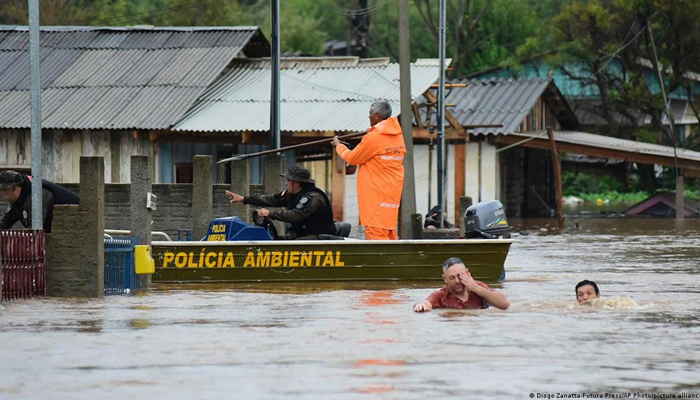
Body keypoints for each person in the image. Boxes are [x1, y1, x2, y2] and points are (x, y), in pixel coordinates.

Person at [331, 100, 406, 240]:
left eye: (370, 114)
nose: (369, 117)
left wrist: (338, 146)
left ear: (377, 116)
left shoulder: (374, 137)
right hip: (391, 197)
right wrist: (371, 133)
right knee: (389, 234)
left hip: (375, 197)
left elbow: (353, 158)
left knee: (376, 238)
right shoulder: (397, 136)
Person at [225, 164, 336, 239]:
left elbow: (295, 215)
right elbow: (272, 199)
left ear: (297, 183)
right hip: (302, 235)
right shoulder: (292, 195)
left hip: (319, 237)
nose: (286, 183)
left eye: (288, 180)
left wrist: (270, 213)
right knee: (277, 240)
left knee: (292, 247)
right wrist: (244, 199)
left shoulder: (313, 197)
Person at [413, 257, 510, 312]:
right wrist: (420, 305)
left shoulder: (478, 287)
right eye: (452, 277)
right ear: (445, 279)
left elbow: (505, 304)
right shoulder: (442, 295)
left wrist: (476, 288)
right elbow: (426, 302)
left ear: (467, 273)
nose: (457, 281)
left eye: (460, 276)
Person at [0, 170, 80, 234]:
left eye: (4, 190)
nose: (1, 194)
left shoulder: (37, 196)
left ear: (15, 188)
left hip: (76, 229)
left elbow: (34, 232)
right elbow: (5, 221)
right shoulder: (19, 198)